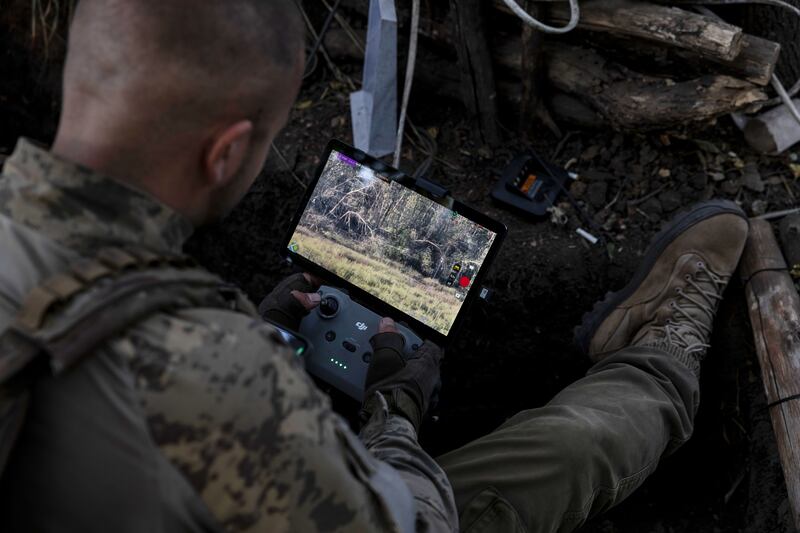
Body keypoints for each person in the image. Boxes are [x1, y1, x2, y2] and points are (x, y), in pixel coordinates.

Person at [0, 1, 750, 532]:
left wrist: (249, 336)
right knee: (570, 451)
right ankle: (658, 364)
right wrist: (396, 409)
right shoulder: (214, 373)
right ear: (226, 153)